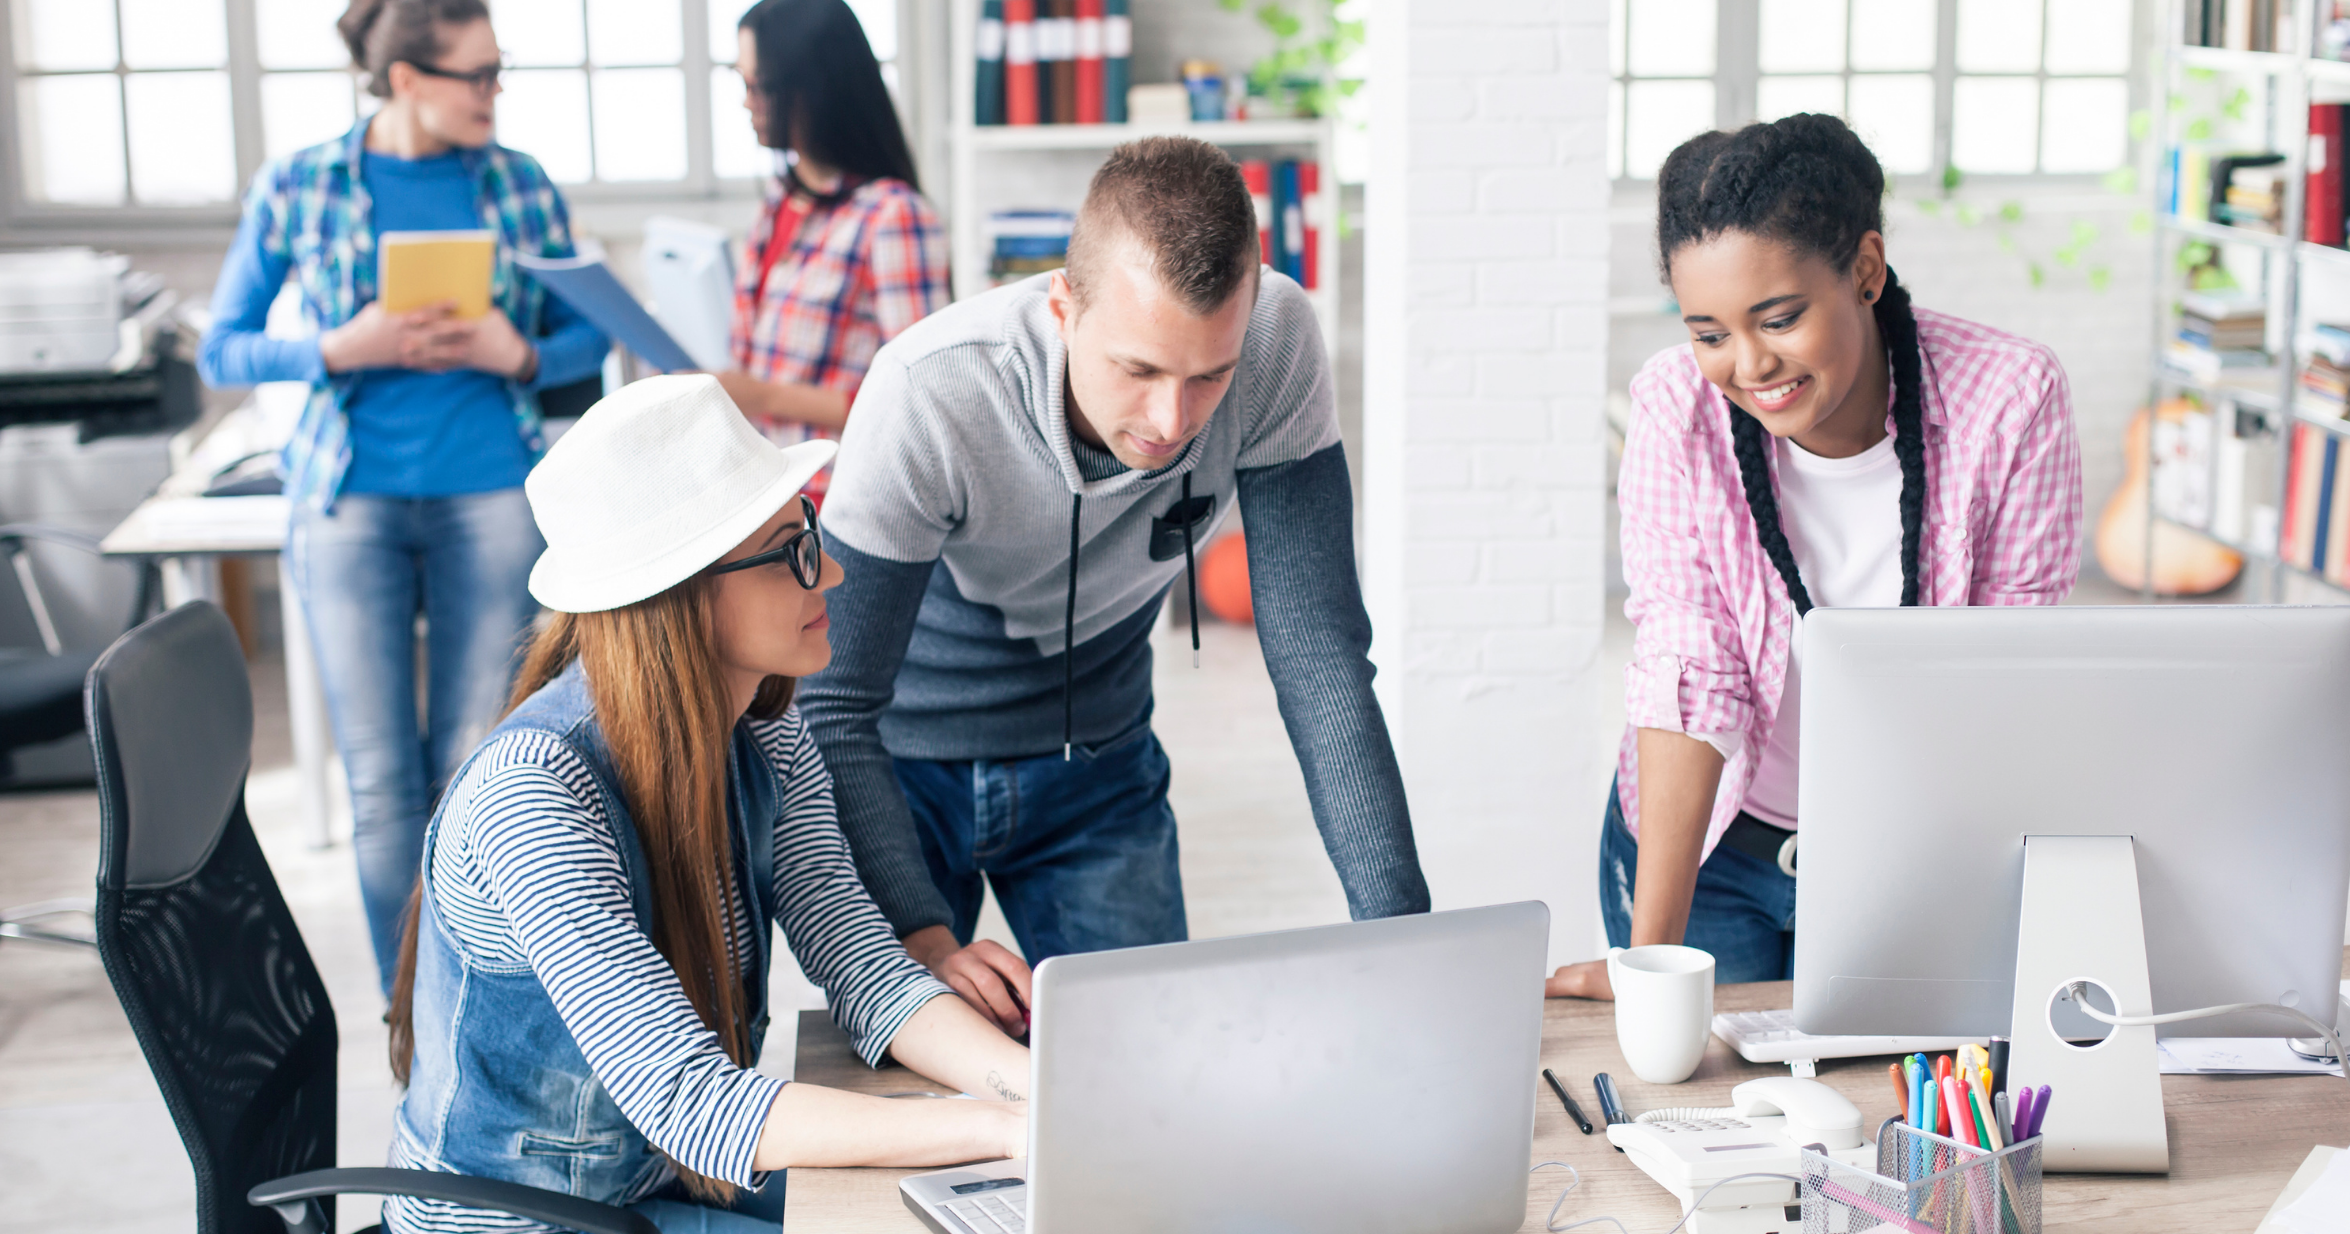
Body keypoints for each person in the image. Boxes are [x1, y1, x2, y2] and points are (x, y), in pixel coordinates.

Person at [799, 136, 1430, 1035]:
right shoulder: (930, 390)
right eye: (1138, 370)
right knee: (924, 1099)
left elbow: (1320, 658)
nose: (1173, 422)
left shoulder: (1277, 338)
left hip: (1097, 760)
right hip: (902, 775)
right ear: (1063, 307)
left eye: (1210, 376)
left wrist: (1405, 938)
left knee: (1147, 1075)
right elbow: (832, 703)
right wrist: (920, 935)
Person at [383, 375, 1029, 1234]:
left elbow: (868, 972)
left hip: (655, 1189)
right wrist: (999, 1131)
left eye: (812, 531)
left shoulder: (765, 738)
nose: (830, 569)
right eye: (792, 550)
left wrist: (1037, 1097)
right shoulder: (533, 798)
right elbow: (695, 1103)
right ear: (680, 594)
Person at [1546, 115, 2082, 998]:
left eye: (1780, 318)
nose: (1749, 364)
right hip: (1708, 846)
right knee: (1702, 1108)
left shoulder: (2010, 399)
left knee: (1878, 1107)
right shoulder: (1675, 408)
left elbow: (2005, 675)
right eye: (1710, 332)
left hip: (1899, 854)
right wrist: (1650, 965)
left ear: (1866, 270)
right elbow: (1688, 665)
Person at [196, 0, 609, 1000]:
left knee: (477, 766)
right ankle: (408, 1012)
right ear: (408, 80)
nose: (496, 93)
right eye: (479, 74)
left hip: (490, 497)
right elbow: (225, 346)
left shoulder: (518, 183)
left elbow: (591, 336)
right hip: (349, 503)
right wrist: (340, 347)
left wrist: (525, 353)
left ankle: (468, 997)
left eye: (501, 69)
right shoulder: (300, 183)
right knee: (381, 782)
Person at [714, 0, 949, 494]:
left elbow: (921, 397)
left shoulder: (892, 215)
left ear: (808, 89)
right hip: (766, 491)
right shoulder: (782, 199)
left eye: (757, 86)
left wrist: (764, 396)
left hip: (842, 499)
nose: (745, 102)